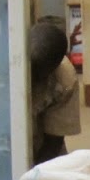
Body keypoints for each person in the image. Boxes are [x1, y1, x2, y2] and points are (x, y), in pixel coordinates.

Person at [28, 20, 80, 164]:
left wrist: (33, 175)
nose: (33, 79)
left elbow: (54, 139)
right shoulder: (5, 65)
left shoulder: (65, 80)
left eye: (38, 75)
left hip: (42, 146)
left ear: (53, 68)